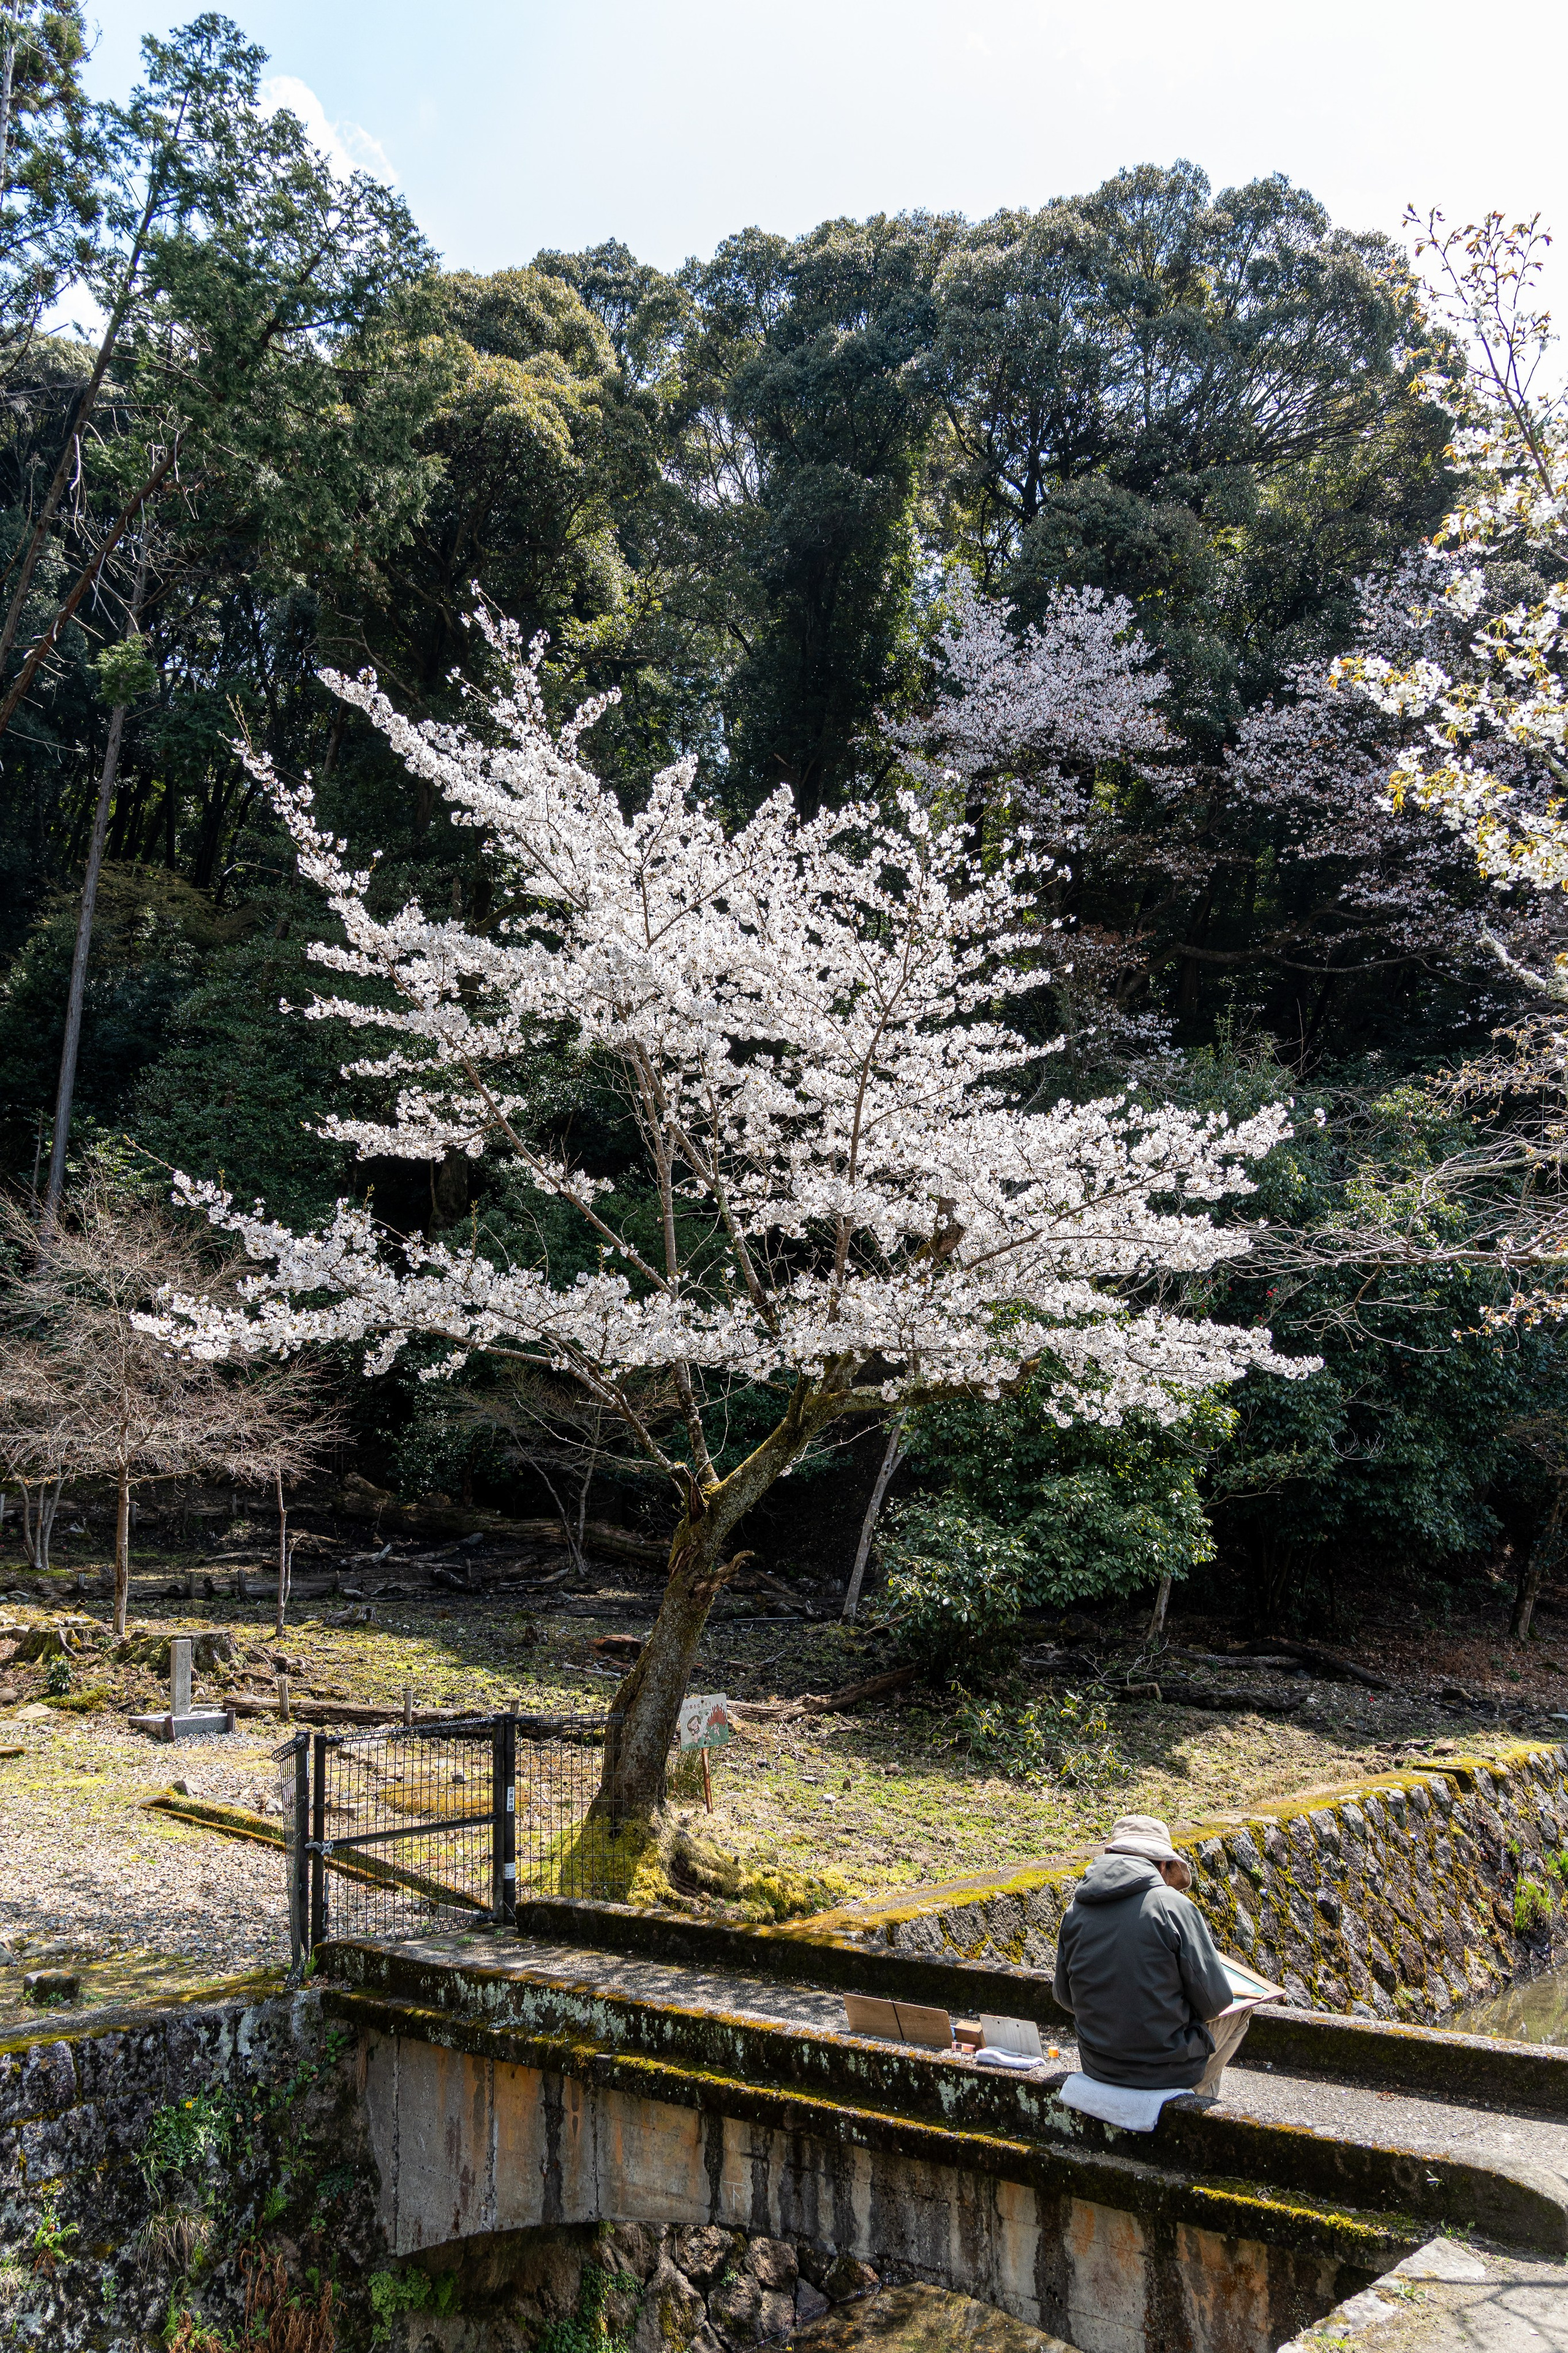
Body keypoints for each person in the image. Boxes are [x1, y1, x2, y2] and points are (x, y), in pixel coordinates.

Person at [1052, 1813, 1250, 2095]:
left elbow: (1065, 1997)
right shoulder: (1173, 1906)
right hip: (1165, 2071)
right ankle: (1195, 2107)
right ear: (1165, 1865)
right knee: (1241, 2013)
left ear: (1111, 1856)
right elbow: (1215, 2002)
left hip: (1097, 2066)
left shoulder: (1075, 1911)